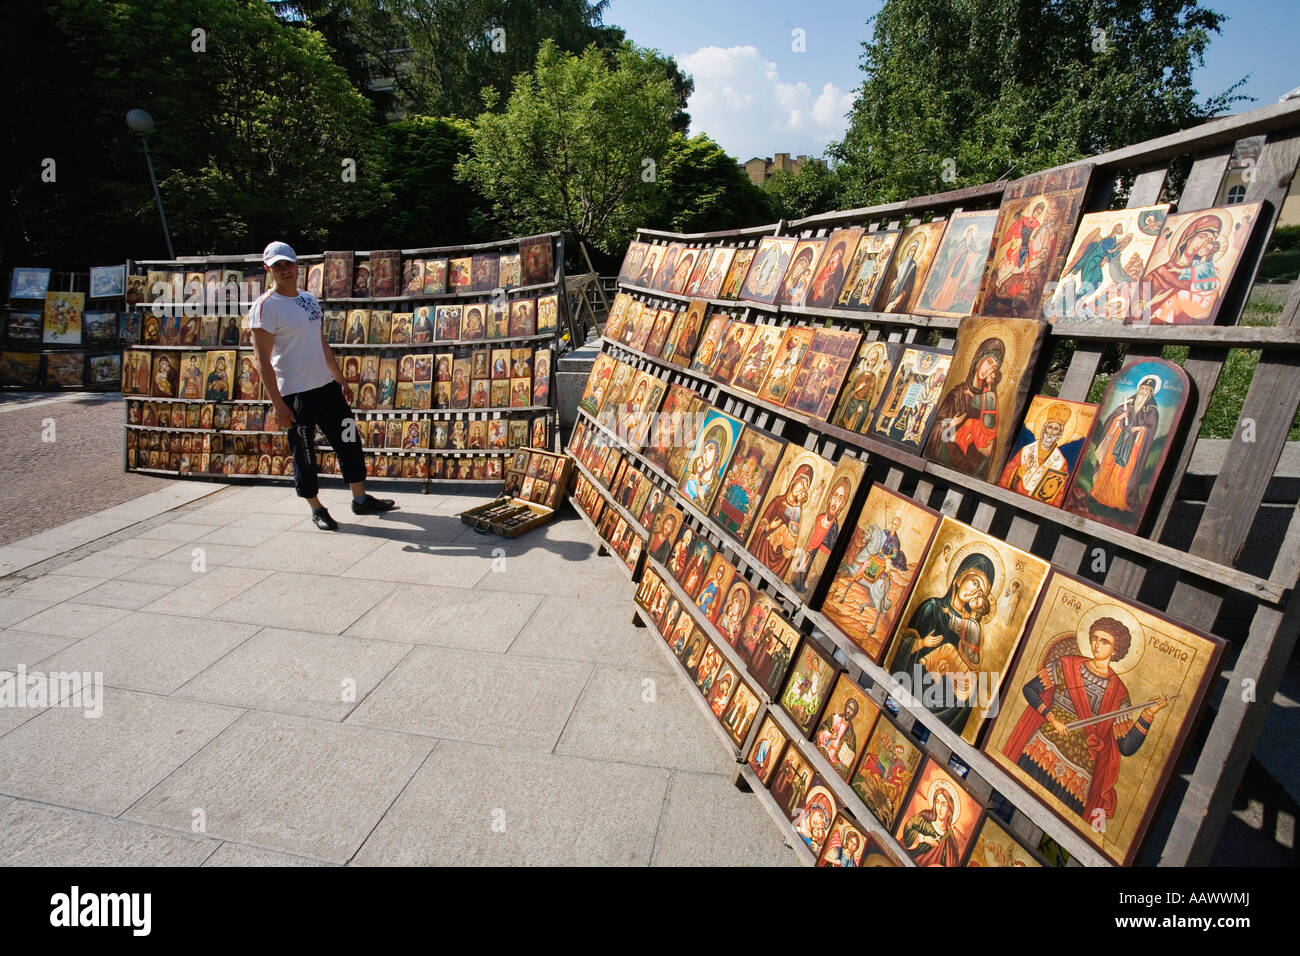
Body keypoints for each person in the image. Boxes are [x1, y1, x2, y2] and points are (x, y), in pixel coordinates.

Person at [250, 241, 395, 530]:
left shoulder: (307, 299)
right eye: (277, 266)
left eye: (288, 264)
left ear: (297, 265)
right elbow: (262, 360)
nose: (284, 270)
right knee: (304, 452)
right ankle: (316, 507)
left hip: (326, 388)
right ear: (268, 269)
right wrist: (278, 403)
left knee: (349, 440)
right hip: (296, 393)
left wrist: (340, 379)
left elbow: (320, 341)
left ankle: (360, 498)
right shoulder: (266, 307)